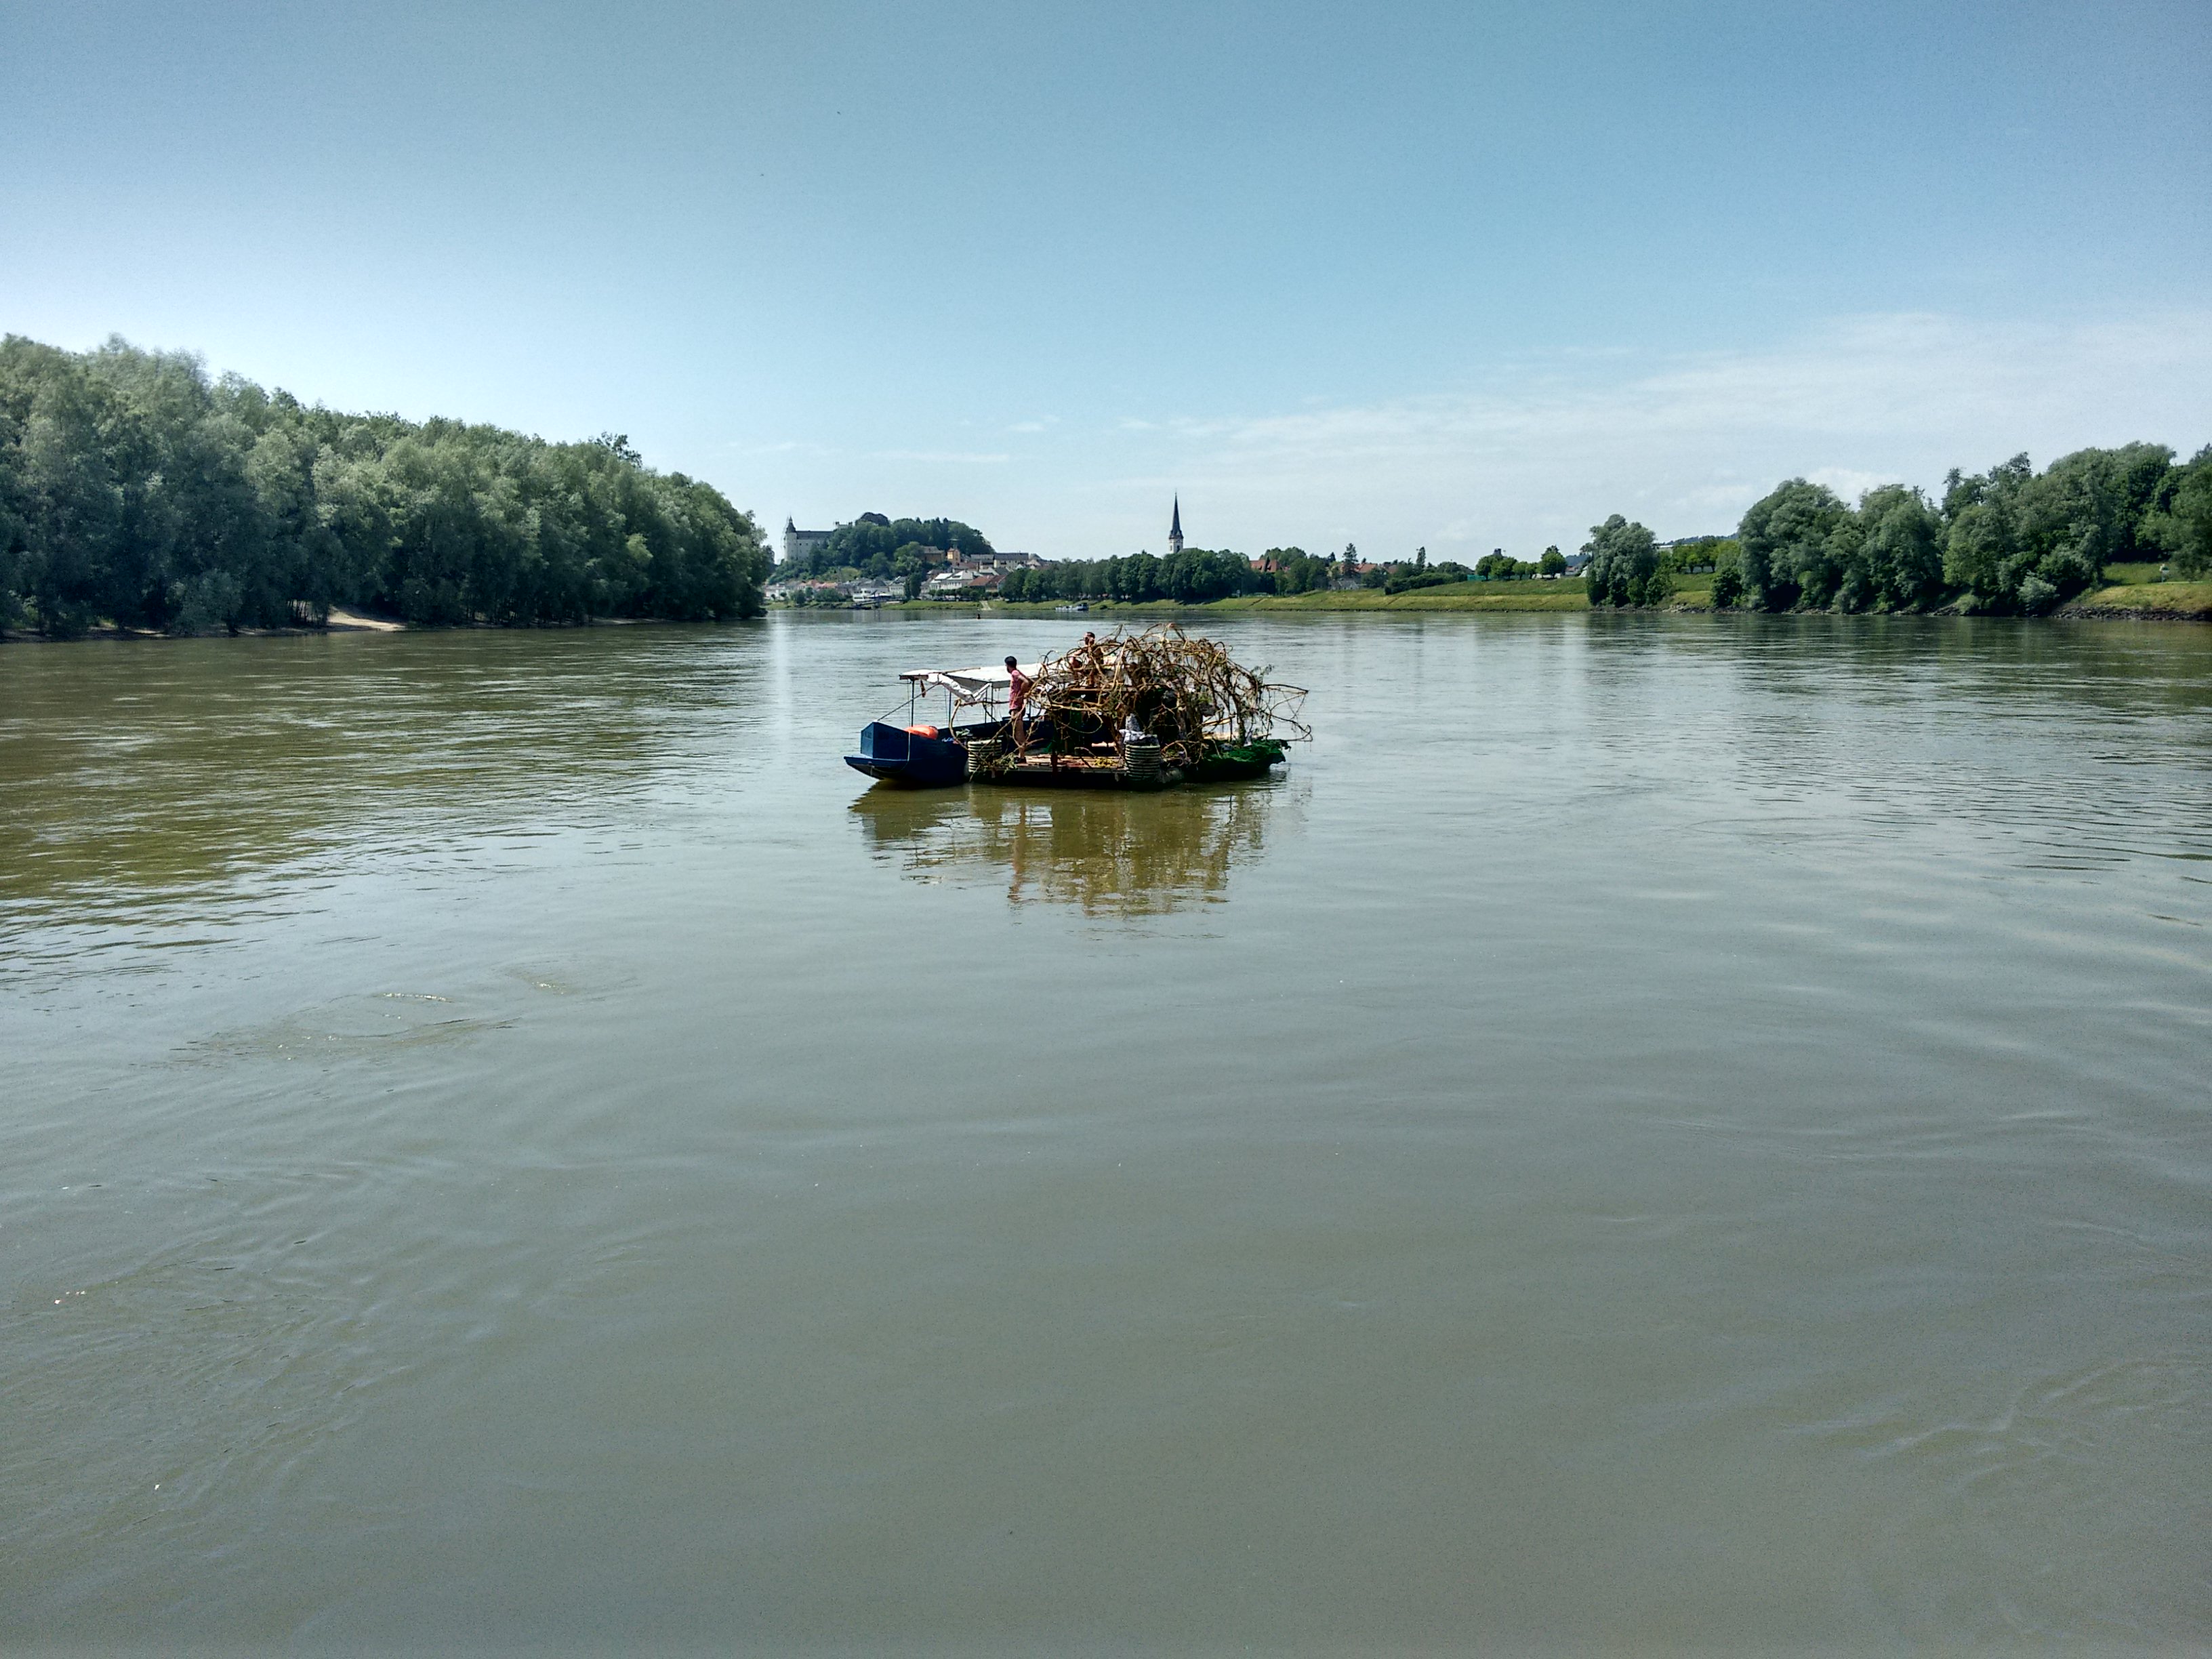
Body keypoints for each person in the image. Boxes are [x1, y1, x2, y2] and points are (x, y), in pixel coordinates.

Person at [1006, 655, 1031, 756]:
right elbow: (1029, 681)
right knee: (1017, 730)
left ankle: (1022, 755)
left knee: (1018, 731)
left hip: (1015, 707)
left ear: (1008, 666)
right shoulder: (1018, 672)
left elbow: (1026, 682)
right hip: (1017, 706)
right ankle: (1022, 753)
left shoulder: (1015, 673)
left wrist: (1020, 694)